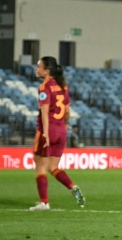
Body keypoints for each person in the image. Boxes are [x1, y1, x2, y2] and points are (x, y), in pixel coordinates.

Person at [29, 57, 84, 211]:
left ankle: (44, 203)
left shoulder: (45, 86)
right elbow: (67, 111)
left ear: (47, 71)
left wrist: (45, 134)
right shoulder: (62, 86)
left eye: (39, 66)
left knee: (40, 167)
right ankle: (73, 187)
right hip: (61, 131)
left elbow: (45, 114)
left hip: (48, 130)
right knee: (53, 167)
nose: (36, 69)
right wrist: (64, 124)